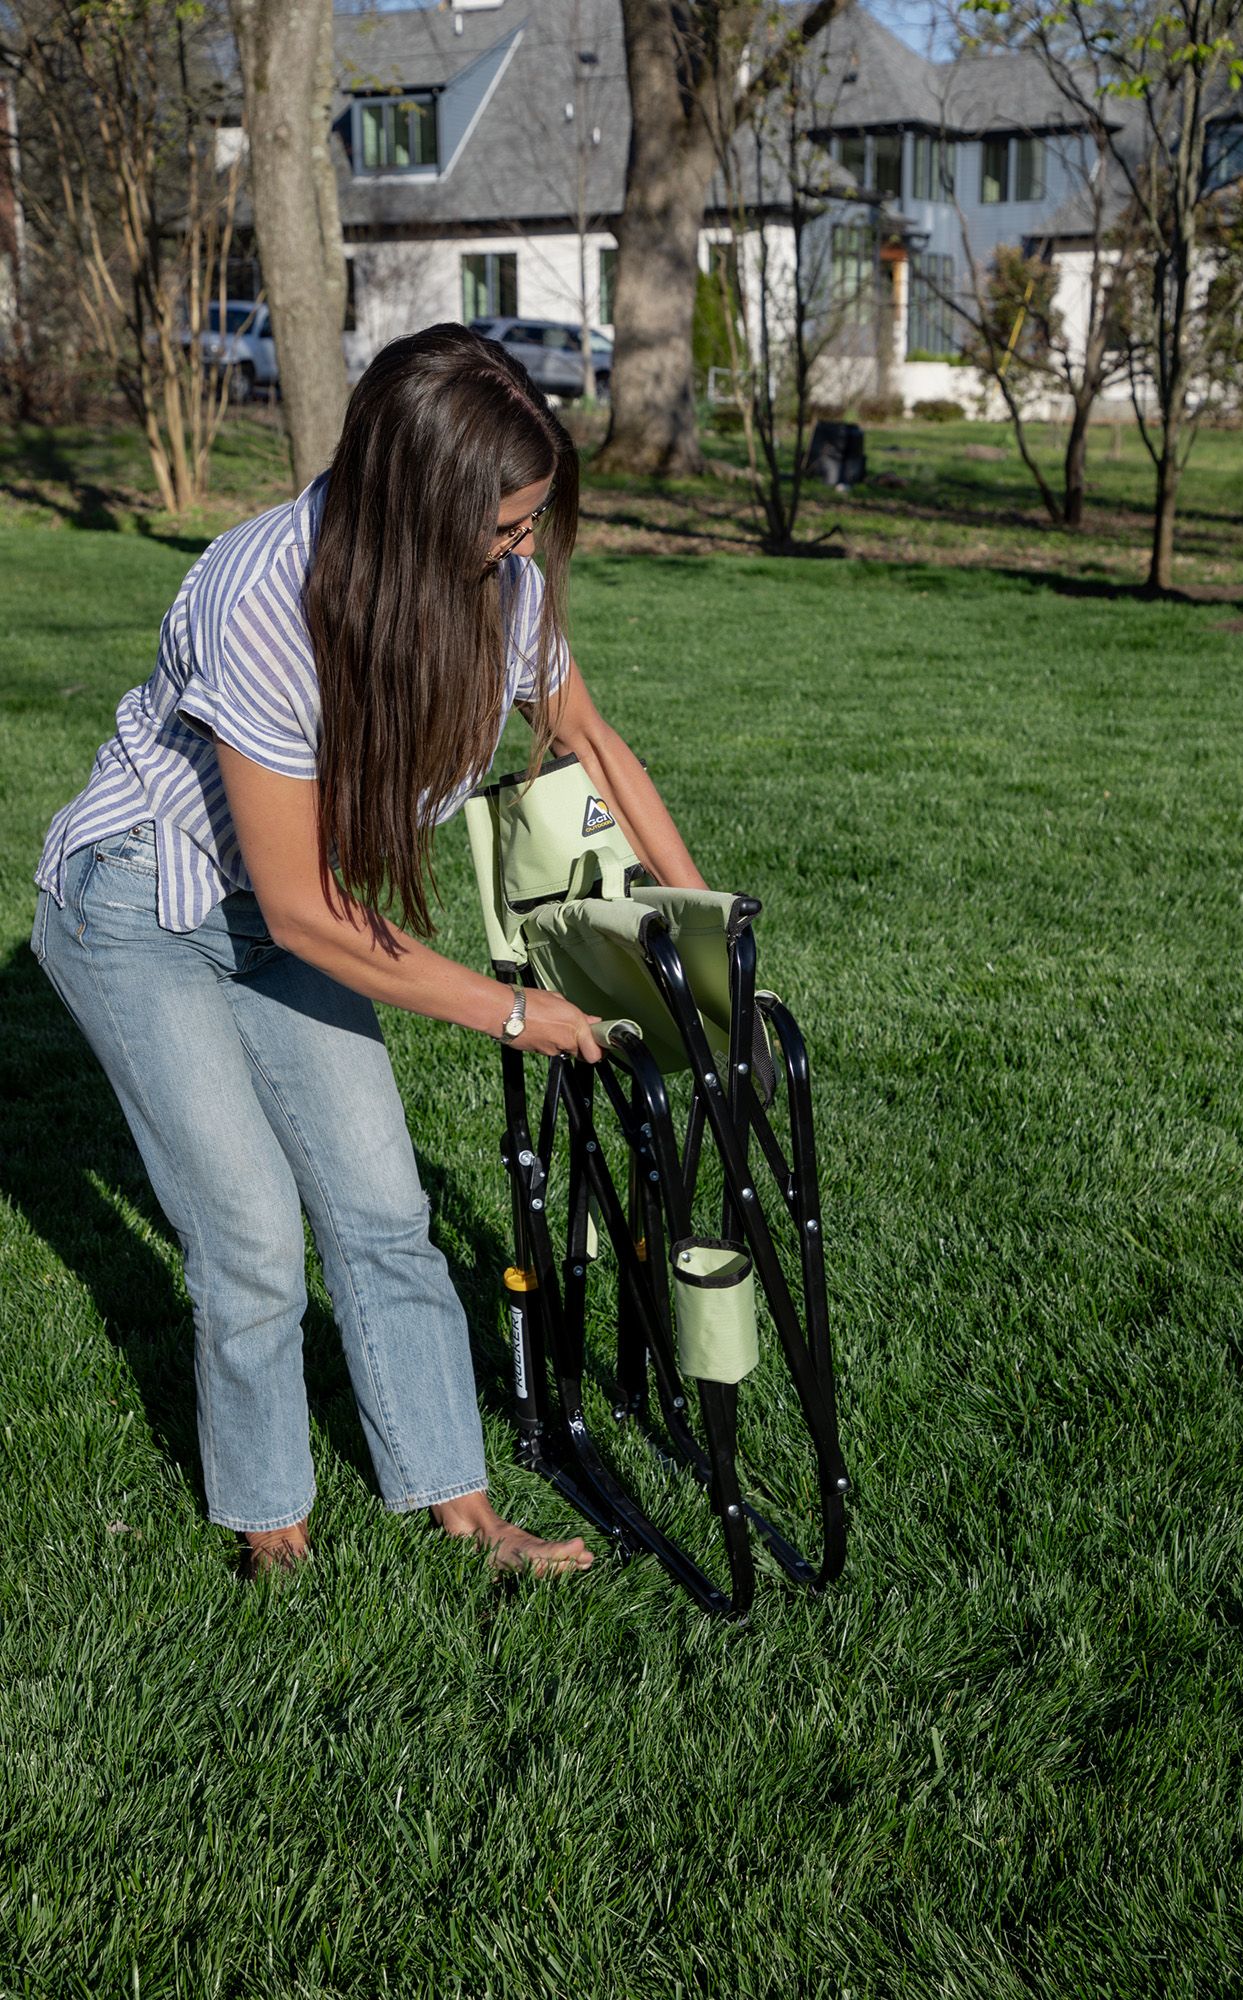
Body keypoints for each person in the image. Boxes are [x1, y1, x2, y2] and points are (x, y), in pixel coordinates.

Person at [30, 323, 707, 1580]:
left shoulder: (495, 584)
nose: (523, 552)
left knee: (385, 1210)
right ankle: (269, 1519)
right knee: (249, 1234)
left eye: (534, 522)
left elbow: (589, 742)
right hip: (142, 906)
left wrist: (699, 928)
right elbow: (299, 909)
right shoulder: (263, 600)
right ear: (414, 507)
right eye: (505, 527)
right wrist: (514, 1014)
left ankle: (462, 1507)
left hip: (292, 914)